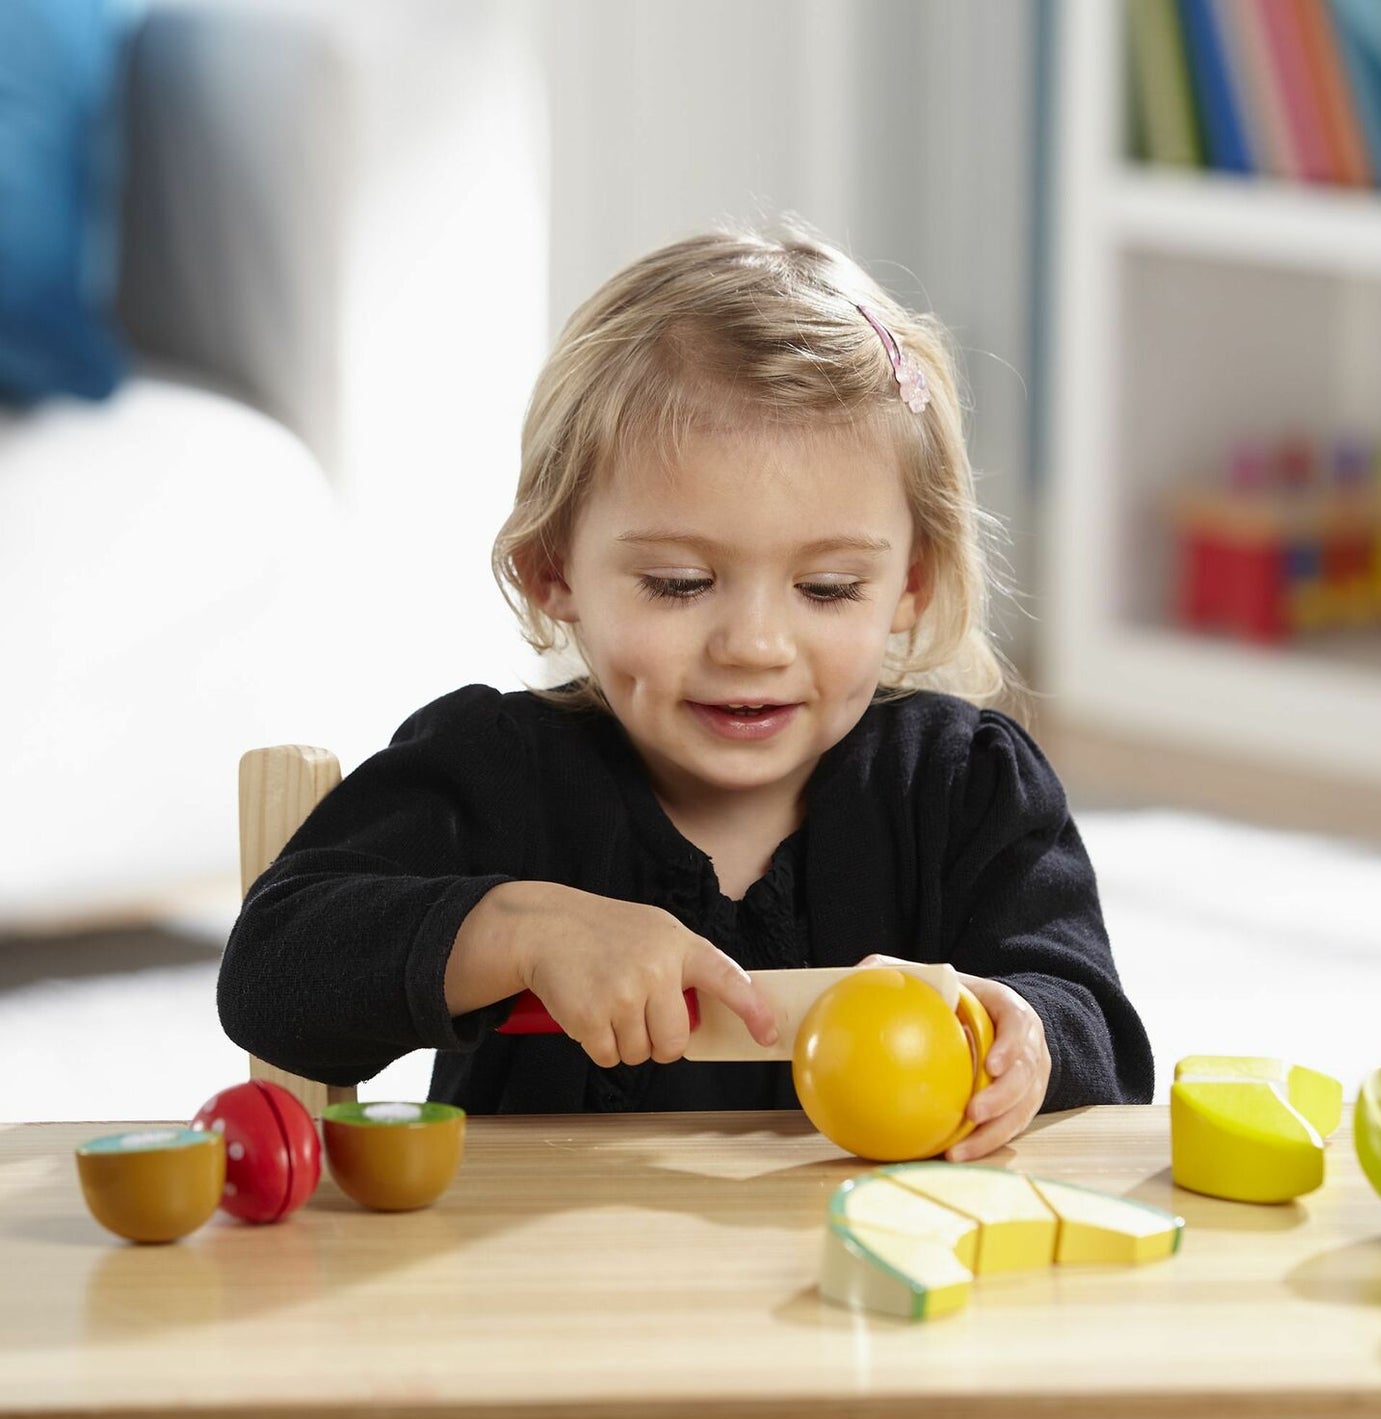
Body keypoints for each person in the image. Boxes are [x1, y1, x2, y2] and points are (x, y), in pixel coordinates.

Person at [219, 222, 1153, 1159]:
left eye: (827, 588)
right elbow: (273, 976)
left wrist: (1014, 1029)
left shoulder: (964, 786)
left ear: (911, 583)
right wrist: (517, 927)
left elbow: (1103, 1046)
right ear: (553, 570)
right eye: (678, 582)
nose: (753, 645)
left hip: (867, 1283)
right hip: (538, 1293)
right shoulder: (492, 772)